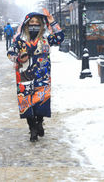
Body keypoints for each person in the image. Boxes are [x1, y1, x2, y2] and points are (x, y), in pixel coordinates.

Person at [7, 10, 64, 142]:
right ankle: (32, 128)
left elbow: (60, 37)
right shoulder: (19, 40)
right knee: (26, 103)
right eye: (32, 22)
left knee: (41, 102)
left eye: (37, 22)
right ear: (26, 24)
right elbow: (10, 53)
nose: (34, 24)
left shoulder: (46, 38)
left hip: (42, 76)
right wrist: (19, 58)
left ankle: (39, 122)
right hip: (24, 76)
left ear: (41, 24)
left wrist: (52, 21)